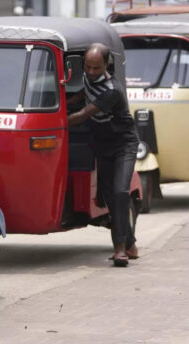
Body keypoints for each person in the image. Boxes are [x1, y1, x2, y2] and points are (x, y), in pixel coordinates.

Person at [67, 43, 139, 267]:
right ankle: (131, 243)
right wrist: (62, 105)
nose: (90, 72)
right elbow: (81, 95)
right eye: (87, 67)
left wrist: (51, 120)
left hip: (123, 144)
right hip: (102, 144)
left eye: (96, 68)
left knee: (119, 192)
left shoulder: (112, 90)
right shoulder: (89, 78)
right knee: (109, 196)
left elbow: (83, 115)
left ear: (106, 65)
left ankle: (120, 251)